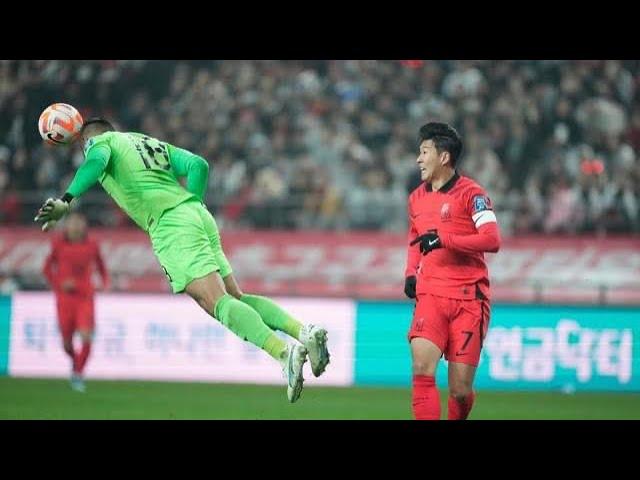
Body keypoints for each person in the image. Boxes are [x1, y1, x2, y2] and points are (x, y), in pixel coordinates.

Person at [34, 118, 330, 403]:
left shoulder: (100, 143)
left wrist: (66, 200)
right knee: (235, 296)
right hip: (196, 213)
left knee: (213, 302)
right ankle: (304, 333)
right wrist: (193, 205)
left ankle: (283, 352)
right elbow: (197, 165)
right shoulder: (144, 142)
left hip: (170, 223)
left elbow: (95, 161)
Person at [404, 122, 501, 420]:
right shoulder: (416, 198)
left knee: (459, 390)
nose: (418, 159)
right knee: (422, 368)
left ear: (443, 157)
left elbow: (492, 240)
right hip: (431, 293)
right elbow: (414, 237)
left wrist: (445, 239)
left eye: (424, 152)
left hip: (469, 299)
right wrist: (410, 272)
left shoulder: (473, 194)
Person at [42, 211, 109, 392]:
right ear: (67, 225)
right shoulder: (58, 244)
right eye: (72, 222)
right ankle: (75, 361)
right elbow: (47, 268)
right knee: (66, 343)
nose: (76, 226)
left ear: (85, 225)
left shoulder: (92, 245)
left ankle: (78, 374)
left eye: (79, 222)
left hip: (85, 297)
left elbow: (101, 266)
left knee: (87, 336)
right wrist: (59, 284)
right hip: (64, 300)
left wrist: (104, 283)